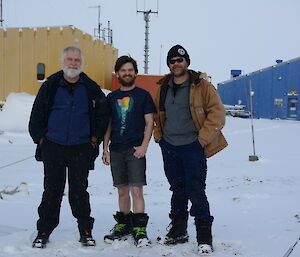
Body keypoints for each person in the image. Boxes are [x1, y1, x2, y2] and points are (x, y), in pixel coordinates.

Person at [29, 46, 109, 248]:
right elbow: (37, 113)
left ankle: (85, 230)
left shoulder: (90, 87)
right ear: (63, 61)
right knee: (52, 191)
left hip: (81, 147)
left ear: (81, 63)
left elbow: (102, 114)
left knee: (79, 191)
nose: (73, 63)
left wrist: (95, 140)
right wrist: (40, 139)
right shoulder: (51, 85)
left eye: (76, 60)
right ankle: (44, 230)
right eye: (69, 59)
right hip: (53, 146)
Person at [153, 45, 228, 254]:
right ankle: (179, 230)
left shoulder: (201, 85)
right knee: (177, 189)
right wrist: (159, 137)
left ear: (187, 62)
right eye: (172, 61)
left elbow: (217, 114)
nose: (176, 64)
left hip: (193, 147)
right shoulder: (163, 86)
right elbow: (157, 115)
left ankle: (204, 236)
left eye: (180, 60)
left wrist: (202, 140)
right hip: (169, 147)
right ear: (169, 64)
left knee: (195, 190)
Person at [102, 56, 156, 247]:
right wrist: (105, 148)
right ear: (117, 74)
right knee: (122, 191)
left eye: (130, 70)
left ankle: (139, 229)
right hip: (116, 150)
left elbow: (150, 122)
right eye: (123, 70)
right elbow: (107, 124)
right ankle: (123, 225)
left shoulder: (143, 96)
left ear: (135, 73)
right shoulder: (111, 98)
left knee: (136, 190)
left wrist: (144, 146)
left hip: (135, 151)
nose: (127, 73)